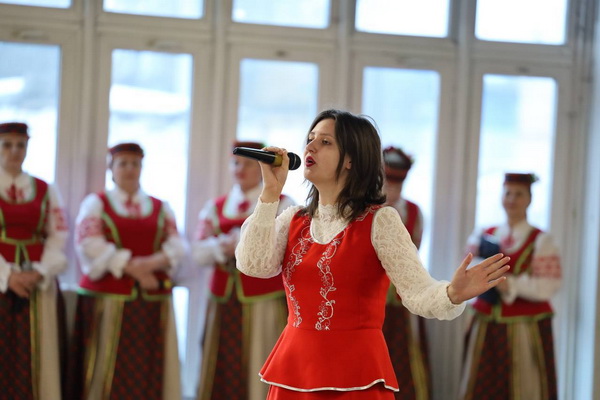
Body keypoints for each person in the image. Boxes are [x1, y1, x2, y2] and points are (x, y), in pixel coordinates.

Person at [234, 109, 511, 399]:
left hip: (356, 374)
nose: (310, 147)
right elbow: (253, 265)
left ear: (351, 159)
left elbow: (417, 292)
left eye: (325, 142)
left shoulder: (380, 221)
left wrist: (453, 293)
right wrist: (270, 192)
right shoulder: (292, 219)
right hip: (293, 371)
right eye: (310, 139)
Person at [69, 142, 185, 400]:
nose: (130, 169)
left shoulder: (160, 206)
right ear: (111, 169)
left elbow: (177, 245)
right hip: (108, 298)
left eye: (135, 164)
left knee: (147, 364)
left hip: (151, 301)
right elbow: (89, 243)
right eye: (123, 163)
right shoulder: (96, 203)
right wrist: (132, 268)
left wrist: (150, 264)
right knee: (107, 362)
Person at [192, 141, 294, 400]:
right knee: (220, 358)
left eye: (248, 163)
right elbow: (198, 251)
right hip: (223, 299)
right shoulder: (215, 207)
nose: (240, 169)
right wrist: (220, 247)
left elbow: (287, 247)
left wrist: (239, 243)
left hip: (263, 296)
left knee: (261, 354)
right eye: (236, 163)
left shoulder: (284, 204)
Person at [459, 173, 561, 400]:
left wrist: (510, 284)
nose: (512, 200)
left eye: (519, 194)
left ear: (529, 199)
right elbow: (467, 270)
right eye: (508, 193)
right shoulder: (486, 234)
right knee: (482, 381)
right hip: (486, 321)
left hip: (524, 324)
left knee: (524, 383)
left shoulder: (540, 239)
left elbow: (548, 285)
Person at [0, 122, 68, 400]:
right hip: (3, 278)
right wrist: (7, 276)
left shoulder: (44, 189)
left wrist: (40, 272)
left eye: (21, 145)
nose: (14, 151)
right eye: (7, 145)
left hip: (37, 283)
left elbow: (58, 235)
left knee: (38, 353)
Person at [381, 146, 430, 400]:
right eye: (387, 181)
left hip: (402, 296)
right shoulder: (366, 208)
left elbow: (414, 251)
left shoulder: (413, 212)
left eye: (396, 183)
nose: (390, 188)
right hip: (371, 296)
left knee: (404, 355)